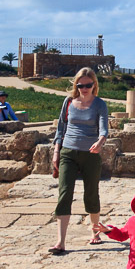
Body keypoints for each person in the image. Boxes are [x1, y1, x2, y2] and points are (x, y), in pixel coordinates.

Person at [48, 67, 108, 254]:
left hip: (90, 153)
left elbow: (104, 129)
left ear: (94, 85)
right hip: (68, 151)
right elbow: (60, 130)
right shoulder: (68, 102)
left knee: (91, 193)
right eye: (80, 85)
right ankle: (60, 242)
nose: (84, 88)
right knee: (64, 193)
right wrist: (56, 152)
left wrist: (100, 141)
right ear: (76, 85)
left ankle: (95, 232)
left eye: (88, 85)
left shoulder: (99, 104)